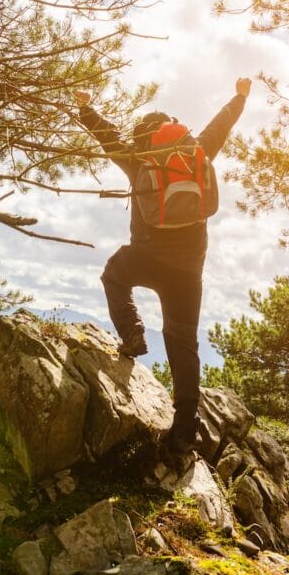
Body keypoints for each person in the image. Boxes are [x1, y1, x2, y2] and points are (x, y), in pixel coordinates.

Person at [74, 78, 251, 458]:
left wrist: (86, 109)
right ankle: (185, 428)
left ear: (144, 134)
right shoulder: (197, 151)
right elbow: (222, 124)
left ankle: (133, 333)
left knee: (113, 275)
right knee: (183, 342)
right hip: (188, 272)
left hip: (146, 256)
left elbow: (107, 136)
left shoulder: (139, 158)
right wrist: (239, 96)